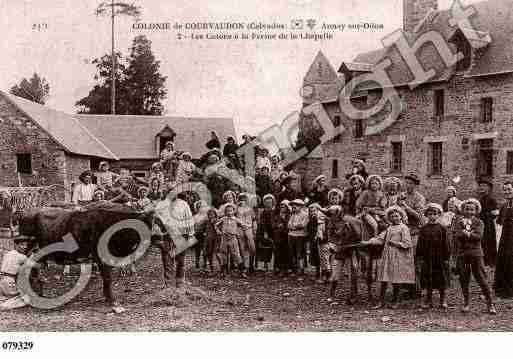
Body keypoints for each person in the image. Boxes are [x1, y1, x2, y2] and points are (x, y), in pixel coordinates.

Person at [364, 206, 415, 309]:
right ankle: (381, 301)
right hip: (387, 255)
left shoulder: (404, 228)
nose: (395, 218)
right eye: (392, 216)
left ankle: (396, 301)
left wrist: (396, 243)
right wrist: (368, 242)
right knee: (384, 278)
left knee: (396, 279)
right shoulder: (389, 228)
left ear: (401, 216)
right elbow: (380, 238)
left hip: (398, 256)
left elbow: (407, 243)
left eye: (397, 216)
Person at [453, 198, 496, 314]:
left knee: (481, 278)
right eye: (467, 209)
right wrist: (466, 233)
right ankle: (466, 302)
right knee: (464, 278)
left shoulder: (479, 222)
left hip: (476, 254)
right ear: (463, 210)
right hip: (463, 254)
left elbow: (479, 236)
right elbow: (457, 235)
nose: (469, 212)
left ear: (476, 211)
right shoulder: (459, 222)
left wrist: (467, 234)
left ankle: (490, 303)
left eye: (472, 210)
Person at [417, 203, 451, 309]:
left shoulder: (442, 228)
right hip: (428, 257)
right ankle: (428, 299)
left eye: (435, 214)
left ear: (439, 215)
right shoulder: (423, 229)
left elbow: (446, 244)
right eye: (430, 214)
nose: (432, 216)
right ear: (426, 215)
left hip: (439, 257)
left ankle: (442, 299)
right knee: (428, 277)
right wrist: (420, 256)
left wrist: (446, 257)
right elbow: (420, 243)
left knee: (441, 277)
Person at [327, 205, 361, 304]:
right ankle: (332, 294)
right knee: (335, 274)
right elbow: (330, 236)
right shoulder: (331, 222)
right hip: (339, 250)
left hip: (351, 249)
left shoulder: (351, 221)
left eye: (334, 214)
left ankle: (353, 296)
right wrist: (333, 244)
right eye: (331, 214)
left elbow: (358, 235)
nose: (333, 216)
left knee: (353, 273)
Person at [399, 173, 426, 298]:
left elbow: (419, 217)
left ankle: (417, 289)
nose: (408, 185)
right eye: (407, 183)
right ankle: (406, 288)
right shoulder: (402, 196)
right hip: (403, 231)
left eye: (411, 183)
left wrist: (406, 207)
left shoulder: (419, 198)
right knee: (404, 260)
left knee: (415, 261)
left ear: (415, 185)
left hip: (415, 231)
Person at [0, 235, 40, 310]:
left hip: (2, 281)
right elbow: (37, 266)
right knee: (29, 298)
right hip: (10, 283)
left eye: (26, 245)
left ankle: (6, 299)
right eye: (22, 244)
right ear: (16, 245)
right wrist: (35, 255)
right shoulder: (21, 256)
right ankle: (5, 305)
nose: (24, 247)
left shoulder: (8, 253)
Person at [215, 203, 247, 278]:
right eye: (227, 211)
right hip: (224, 237)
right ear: (225, 212)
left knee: (236, 254)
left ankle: (242, 271)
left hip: (233, 238)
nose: (229, 212)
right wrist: (218, 231)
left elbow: (243, 225)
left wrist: (243, 228)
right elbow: (216, 225)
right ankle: (224, 271)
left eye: (231, 211)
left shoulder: (236, 219)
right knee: (224, 254)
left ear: (234, 211)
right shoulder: (223, 219)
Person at [494, 181, 513, 299]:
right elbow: (499, 222)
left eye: (509, 189)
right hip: (506, 237)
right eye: (505, 190)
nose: (507, 192)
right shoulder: (504, 205)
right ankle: (502, 288)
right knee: (504, 260)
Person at [477, 178, 499, 268]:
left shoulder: (492, 200)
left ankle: (491, 262)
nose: (481, 188)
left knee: (489, 242)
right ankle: (484, 261)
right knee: (482, 242)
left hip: (489, 225)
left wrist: (487, 214)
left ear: (489, 188)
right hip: (481, 224)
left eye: (484, 186)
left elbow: (495, 213)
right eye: (480, 186)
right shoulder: (479, 200)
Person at [288, 199, 309, 276]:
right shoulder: (292, 215)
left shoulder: (305, 214)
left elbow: (302, 225)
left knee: (300, 253)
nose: (294, 206)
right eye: (293, 205)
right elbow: (289, 224)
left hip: (300, 236)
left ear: (301, 206)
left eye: (296, 205)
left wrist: (294, 226)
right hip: (291, 235)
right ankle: (294, 269)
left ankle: (301, 269)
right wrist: (293, 226)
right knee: (292, 253)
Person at [236, 193, 257, 274]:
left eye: (244, 199)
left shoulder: (250, 209)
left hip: (249, 229)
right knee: (242, 248)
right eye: (241, 199)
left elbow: (254, 219)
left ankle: (251, 265)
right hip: (240, 229)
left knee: (252, 248)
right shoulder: (236, 209)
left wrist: (255, 230)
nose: (243, 201)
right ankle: (244, 266)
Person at [256, 194, 275, 272]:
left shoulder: (274, 211)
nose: (268, 204)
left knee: (273, 248)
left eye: (270, 202)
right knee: (265, 248)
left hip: (273, 231)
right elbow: (262, 223)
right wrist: (265, 232)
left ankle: (273, 265)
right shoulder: (263, 212)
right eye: (266, 202)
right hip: (265, 231)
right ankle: (265, 265)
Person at [273, 201, 291, 276]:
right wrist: (278, 226)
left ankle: (285, 269)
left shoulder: (289, 216)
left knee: (286, 253)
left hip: (286, 236)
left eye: (284, 206)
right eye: (281, 206)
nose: (282, 207)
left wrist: (283, 224)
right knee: (278, 252)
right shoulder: (276, 216)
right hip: (278, 237)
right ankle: (278, 268)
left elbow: (289, 225)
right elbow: (273, 225)